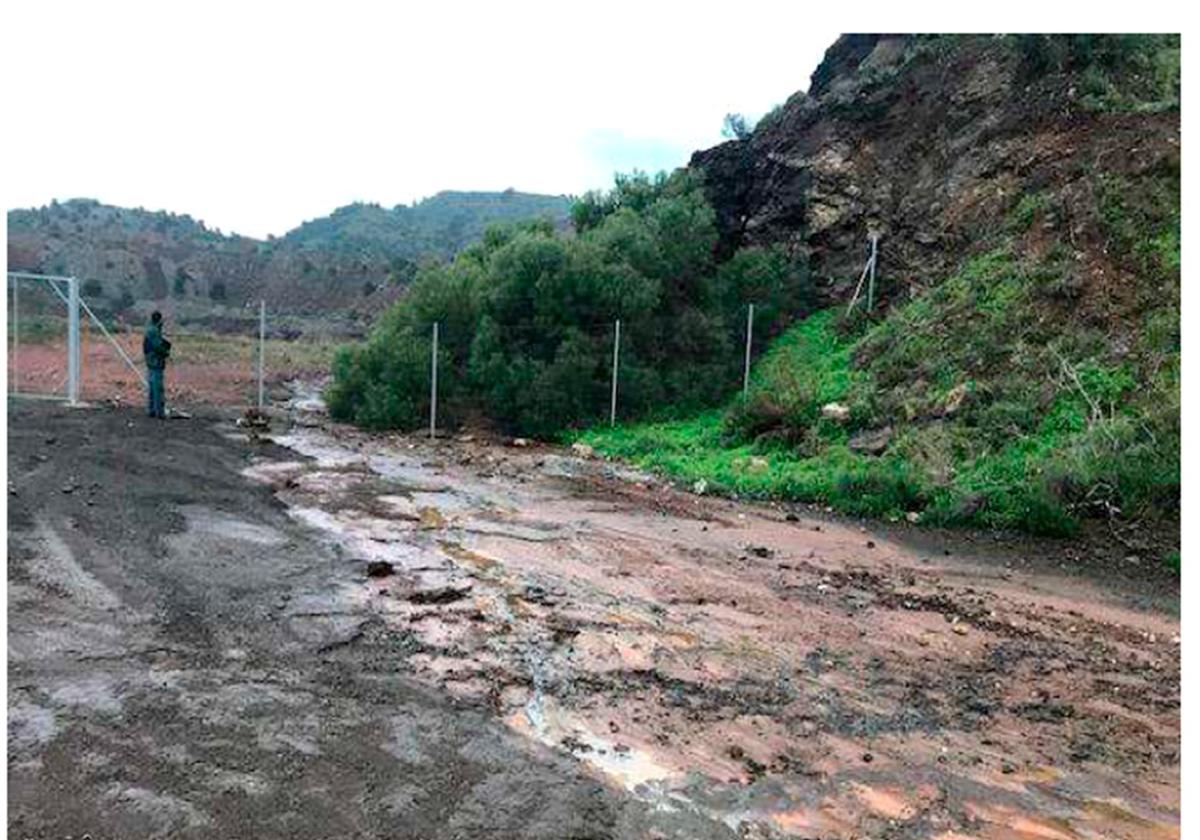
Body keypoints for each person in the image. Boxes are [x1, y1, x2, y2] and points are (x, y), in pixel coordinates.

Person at [143, 311, 172, 418]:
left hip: (150, 361)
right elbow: (158, 346)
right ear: (159, 320)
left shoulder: (150, 329)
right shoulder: (154, 331)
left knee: (151, 387)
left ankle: (152, 410)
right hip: (156, 361)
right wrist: (166, 352)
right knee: (157, 388)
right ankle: (160, 412)